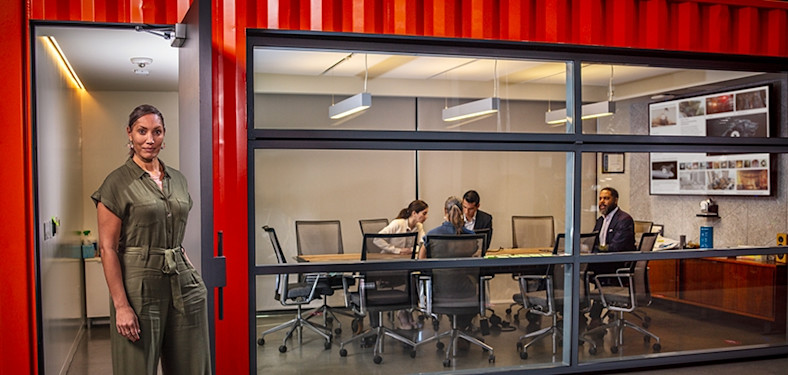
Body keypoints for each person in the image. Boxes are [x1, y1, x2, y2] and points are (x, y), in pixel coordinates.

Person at [92, 104, 211, 375]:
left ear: (163, 135)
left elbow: (175, 236)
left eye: (156, 132)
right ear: (130, 134)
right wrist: (121, 306)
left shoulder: (177, 180)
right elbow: (108, 248)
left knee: (193, 366)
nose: (150, 139)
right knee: (136, 366)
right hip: (139, 283)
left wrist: (190, 270)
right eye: (142, 131)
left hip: (183, 280)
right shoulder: (116, 183)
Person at [371, 200, 429, 330]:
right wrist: (396, 250)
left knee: (414, 276)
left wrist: (415, 250)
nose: (425, 217)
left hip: (405, 265)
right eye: (424, 213)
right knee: (410, 278)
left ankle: (407, 310)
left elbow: (423, 244)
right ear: (414, 213)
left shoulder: (418, 227)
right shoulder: (398, 224)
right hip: (389, 265)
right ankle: (402, 312)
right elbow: (376, 238)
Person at [586, 186, 636, 330]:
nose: (602, 202)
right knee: (574, 270)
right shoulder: (601, 220)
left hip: (618, 265)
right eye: (601, 198)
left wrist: (595, 249)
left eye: (606, 198)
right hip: (602, 261)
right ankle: (578, 311)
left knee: (593, 274)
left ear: (615, 200)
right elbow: (594, 241)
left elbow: (614, 247)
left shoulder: (624, 220)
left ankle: (594, 316)